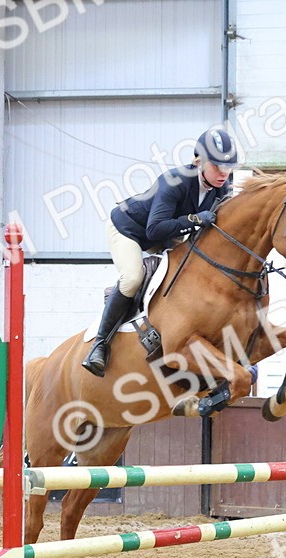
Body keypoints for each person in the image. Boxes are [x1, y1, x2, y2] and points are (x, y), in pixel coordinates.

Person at [81, 126, 240, 377]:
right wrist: (195, 219)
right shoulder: (174, 182)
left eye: (229, 167)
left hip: (169, 232)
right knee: (133, 277)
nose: (224, 173)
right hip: (130, 229)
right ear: (199, 162)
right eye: (217, 167)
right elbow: (154, 230)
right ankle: (100, 343)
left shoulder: (223, 183)